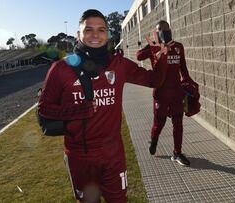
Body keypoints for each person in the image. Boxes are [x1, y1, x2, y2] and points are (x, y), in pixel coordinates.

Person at [38, 9, 168, 203]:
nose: (95, 35)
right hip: (80, 156)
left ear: (107, 34)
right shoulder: (61, 69)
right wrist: (77, 111)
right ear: (78, 34)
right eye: (88, 29)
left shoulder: (119, 64)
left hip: (113, 155)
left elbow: (155, 81)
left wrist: (159, 55)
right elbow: (44, 109)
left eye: (101, 30)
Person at [136, 20, 194, 166]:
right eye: (158, 29)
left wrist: (188, 84)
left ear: (170, 30)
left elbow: (183, 68)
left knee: (178, 123)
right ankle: (154, 139)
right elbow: (138, 56)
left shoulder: (178, 47)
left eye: (164, 29)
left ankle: (177, 153)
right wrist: (152, 45)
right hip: (161, 93)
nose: (162, 31)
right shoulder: (154, 48)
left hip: (176, 93)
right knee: (159, 122)